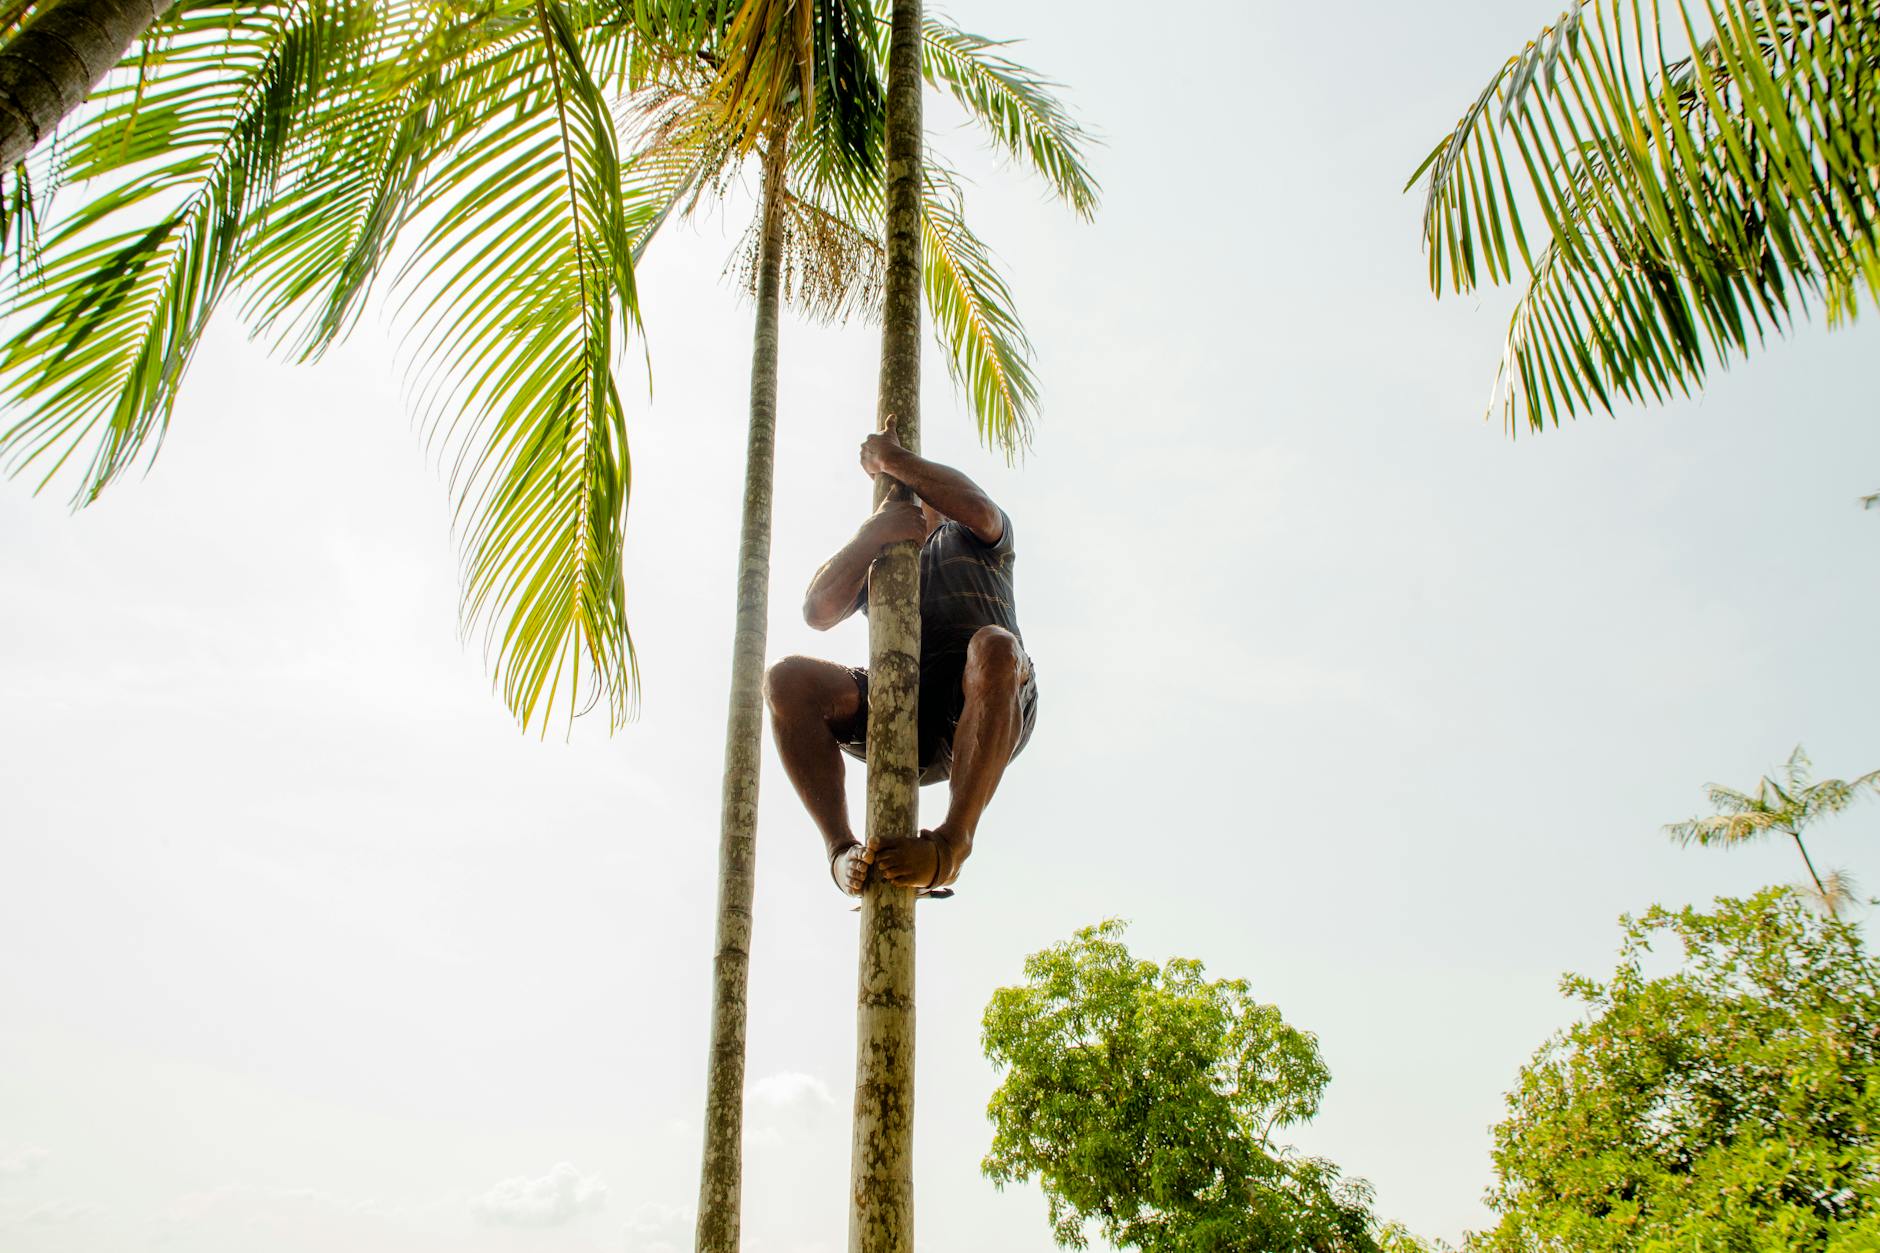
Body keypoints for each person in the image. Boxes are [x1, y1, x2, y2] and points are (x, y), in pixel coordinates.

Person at [764, 418, 1038, 897]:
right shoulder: (883, 565)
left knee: (994, 645)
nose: (920, 498)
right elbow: (817, 610)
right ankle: (840, 851)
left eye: (925, 489)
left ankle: (951, 847)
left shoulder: (976, 537)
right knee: (787, 681)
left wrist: (890, 460)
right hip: (906, 706)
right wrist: (873, 536)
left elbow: (975, 505)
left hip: (989, 697)